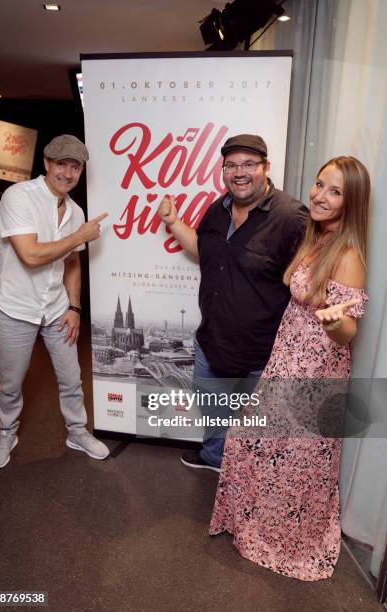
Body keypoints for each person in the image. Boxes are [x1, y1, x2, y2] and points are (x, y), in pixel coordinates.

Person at [209, 155, 371, 581]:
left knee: (297, 462)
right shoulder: (314, 237)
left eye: (335, 191)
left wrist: (337, 323)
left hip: (316, 371)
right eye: (320, 185)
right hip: (286, 357)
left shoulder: (348, 253)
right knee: (252, 443)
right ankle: (256, 527)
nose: (320, 195)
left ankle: (289, 541)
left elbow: (347, 330)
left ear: (351, 202)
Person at [158, 134, 307, 471]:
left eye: (249, 164)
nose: (240, 172)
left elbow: (309, 280)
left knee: (258, 434)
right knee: (212, 409)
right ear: (223, 170)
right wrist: (171, 222)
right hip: (211, 342)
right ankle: (214, 458)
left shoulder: (292, 218)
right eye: (232, 165)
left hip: (260, 354)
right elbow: (203, 252)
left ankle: (246, 489)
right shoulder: (217, 209)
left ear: (266, 168)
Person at [0, 134, 110, 468]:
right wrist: (79, 236)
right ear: (46, 163)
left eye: (75, 167)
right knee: (11, 382)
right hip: (14, 307)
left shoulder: (74, 210)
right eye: (62, 164)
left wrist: (74, 307)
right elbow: (30, 255)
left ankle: (77, 432)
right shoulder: (19, 196)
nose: (68, 173)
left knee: (72, 378)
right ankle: (6, 431)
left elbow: (71, 262)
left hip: (55, 307)